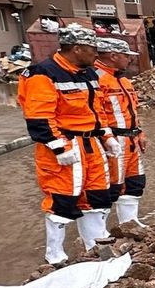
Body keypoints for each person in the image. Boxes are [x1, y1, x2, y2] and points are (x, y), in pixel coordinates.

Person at [17, 25, 118, 264]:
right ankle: (55, 255)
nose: (97, 55)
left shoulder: (88, 74)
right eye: (93, 49)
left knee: (97, 195)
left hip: (91, 144)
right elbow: (39, 116)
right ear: (77, 48)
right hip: (65, 145)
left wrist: (106, 136)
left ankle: (94, 246)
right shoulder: (43, 74)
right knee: (62, 198)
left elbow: (96, 110)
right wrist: (58, 147)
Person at [94, 37, 147, 228]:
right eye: (126, 56)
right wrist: (106, 138)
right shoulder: (96, 79)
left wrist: (139, 132)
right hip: (112, 140)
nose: (130, 60)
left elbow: (132, 110)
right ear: (113, 56)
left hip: (130, 139)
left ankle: (129, 223)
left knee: (134, 182)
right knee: (109, 186)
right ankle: (98, 233)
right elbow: (94, 113)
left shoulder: (122, 80)